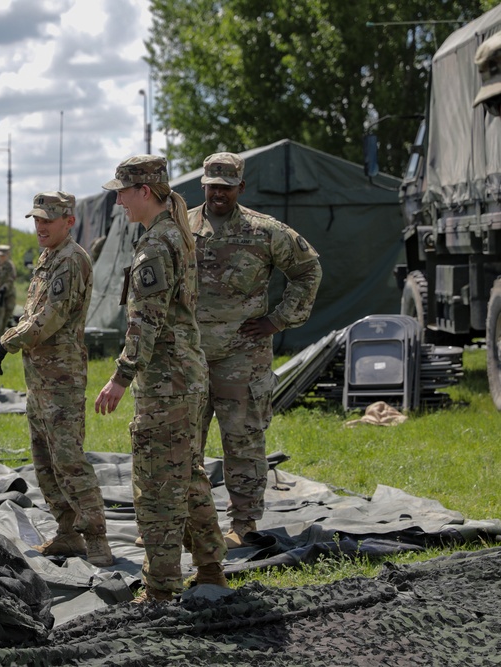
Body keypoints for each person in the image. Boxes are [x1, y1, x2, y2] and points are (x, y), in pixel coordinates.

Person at [94, 155, 227, 603]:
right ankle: (210, 570)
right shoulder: (176, 234)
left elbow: (145, 322)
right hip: (185, 376)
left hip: (167, 383)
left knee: (156, 484)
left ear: (145, 192)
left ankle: (160, 588)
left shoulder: (156, 244)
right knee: (187, 475)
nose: (118, 201)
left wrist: (120, 377)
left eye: (123, 192)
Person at [189, 152, 322, 548]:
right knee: (181, 441)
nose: (218, 194)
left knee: (243, 441)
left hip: (241, 358)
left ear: (240, 189)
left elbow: (308, 269)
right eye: (213, 186)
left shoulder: (264, 231)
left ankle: (243, 524)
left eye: (226, 188)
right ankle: (185, 524)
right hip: (189, 356)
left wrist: (279, 320)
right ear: (203, 186)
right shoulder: (180, 225)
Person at [0, 191, 113, 568]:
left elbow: (47, 321)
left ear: (68, 222)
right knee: (43, 461)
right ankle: (68, 533)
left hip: (62, 380)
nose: (40, 227)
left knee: (69, 461)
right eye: (36, 220)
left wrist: (4, 341)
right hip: (40, 379)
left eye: (48, 220)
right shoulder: (48, 259)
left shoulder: (72, 261)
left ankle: (97, 540)